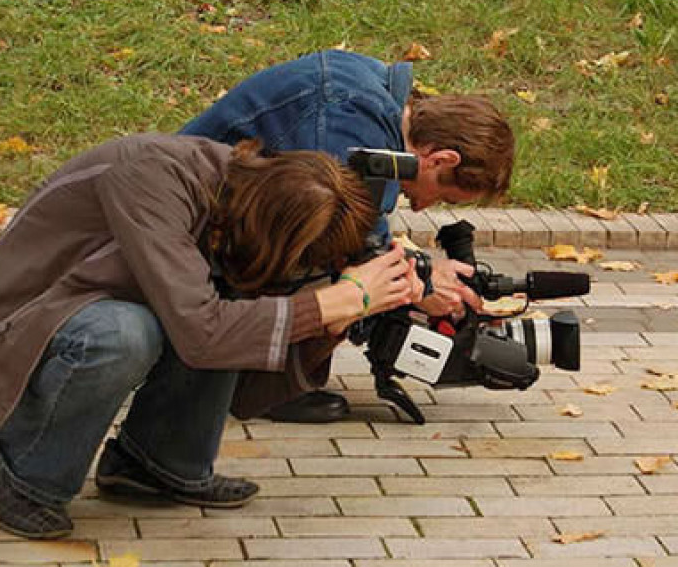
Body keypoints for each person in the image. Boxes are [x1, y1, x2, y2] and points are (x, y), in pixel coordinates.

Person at [0, 133, 422, 539]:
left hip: (86, 319)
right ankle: (20, 474)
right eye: (301, 265)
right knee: (128, 334)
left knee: (229, 314)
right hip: (12, 329)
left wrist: (330, 324)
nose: (301, 276)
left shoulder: (246, 213)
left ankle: (155, 466)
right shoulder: (152, 175)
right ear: (276, 230)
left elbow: (252, 383)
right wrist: (328, 303)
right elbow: (202, 334)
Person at [181, 49, 516, 422]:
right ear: (441, 160)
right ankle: (266, 381)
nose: (421, 208)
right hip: (195, 243)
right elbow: (345, 239)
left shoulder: (373, 102)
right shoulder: (349, 121)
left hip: (212, 226)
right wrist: (420, 285)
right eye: (442, 195)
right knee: (338, 264)